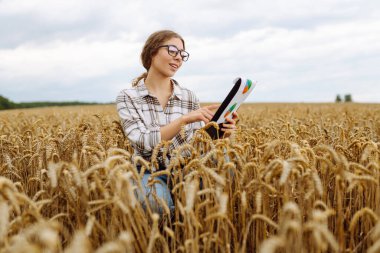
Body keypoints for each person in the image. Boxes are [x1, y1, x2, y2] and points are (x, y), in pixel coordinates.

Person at [116, 30, 238, 214]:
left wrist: (221, 131)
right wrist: (182, 120)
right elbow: (141, 141)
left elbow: (199, 142)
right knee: (156, 204)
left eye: (182, 54)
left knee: (224, 159)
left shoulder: (188, 96)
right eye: (172, 50)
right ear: (152, 51)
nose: (179, 58)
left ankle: (199, 230)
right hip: (148, 172)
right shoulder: (128, 97)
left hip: (186, 168)